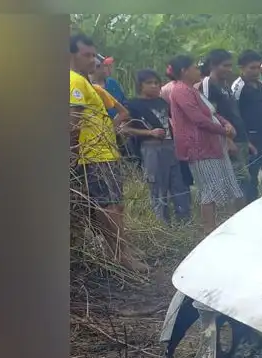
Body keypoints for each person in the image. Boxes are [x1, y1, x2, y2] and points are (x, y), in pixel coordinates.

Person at [69, 33, 146, 272]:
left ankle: (121, 251)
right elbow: (73, 122)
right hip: (95, 157)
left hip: (104, 154)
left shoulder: (83, 81)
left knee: (111, 206)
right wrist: (71, 154)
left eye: (94, 55)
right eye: (87, 55)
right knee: (108, 207)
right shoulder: (73, 80)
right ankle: (122, 256)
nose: (93, 60)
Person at [167, 54, 244, 236]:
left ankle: (225, 227)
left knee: (224, 185)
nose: (197, 70)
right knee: (208, 190)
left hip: (213, 145)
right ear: (184, 71)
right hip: (199, 148)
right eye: (194, 67)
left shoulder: (192, 90)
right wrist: (224, 131)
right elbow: (198, 119)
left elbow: (212, 113)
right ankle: (209, 229)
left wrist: (226, 124)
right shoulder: (179, 90)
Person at [123, 69, 192, 224]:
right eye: (149, 83)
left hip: (171, 146)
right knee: (157, 187)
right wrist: (149, 132)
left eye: (156, 83)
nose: (154, 86)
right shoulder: (132, 104)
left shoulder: (162, 102)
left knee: (178, 184)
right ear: (140, 85)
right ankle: (162, 224)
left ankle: (184, 221)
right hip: (151, 148)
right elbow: (123, 128)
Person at [201, 49, 253, 204]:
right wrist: (227, 140)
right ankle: (236, 216)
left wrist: (246, 140)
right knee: (239, 180)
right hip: (228, 140)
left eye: (230, 66)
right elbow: (211, 115)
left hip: (240, 138)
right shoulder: (208, 85)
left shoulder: (225, 84)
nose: (229, 69)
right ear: (213, 65)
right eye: (225, 66)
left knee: (244, 179)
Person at [233, 50, 262, 199]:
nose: (255, 71)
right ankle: (250, 205)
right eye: (251, 68)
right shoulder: (238, 87)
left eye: (258, 67)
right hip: (249, 138)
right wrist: (244, 140)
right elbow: (235, 115)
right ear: (241, 68)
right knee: (250, 177)